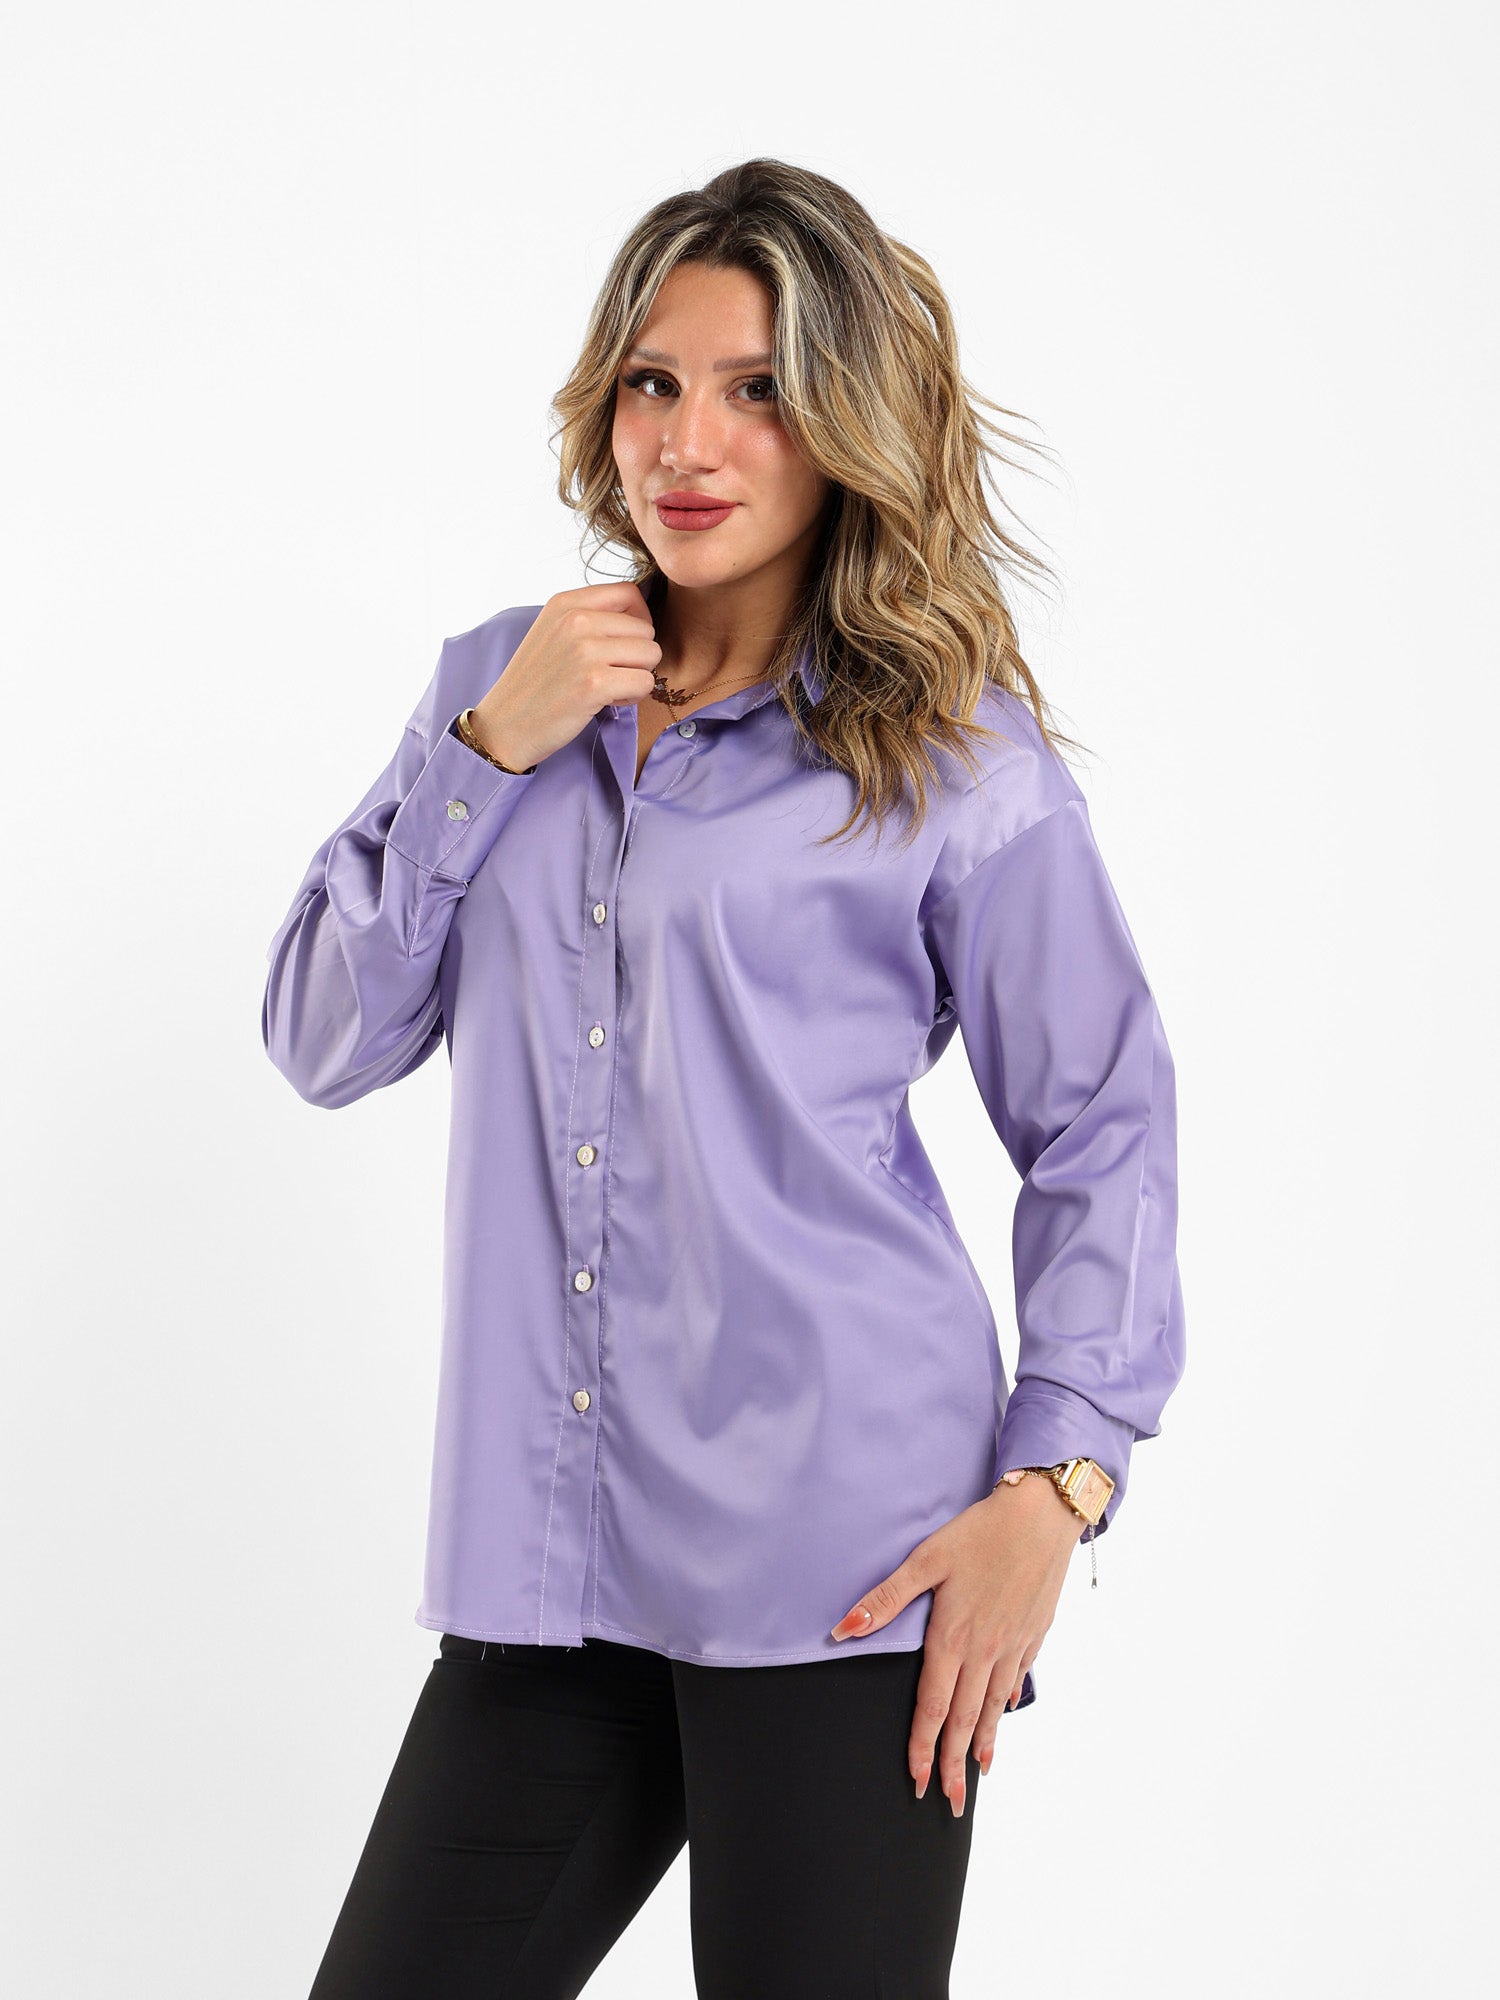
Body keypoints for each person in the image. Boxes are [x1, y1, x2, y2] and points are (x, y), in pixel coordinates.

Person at [262, 157, 1188, 2000]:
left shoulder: (955, 758)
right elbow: (322, 1033)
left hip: (849, 1567)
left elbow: (1105, 1119)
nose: (689, 441)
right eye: (654, 382)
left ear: (843, 423)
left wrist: (1055, 1487)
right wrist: (487, 751)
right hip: (552, 1565)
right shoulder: (501, 689)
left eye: (758, 390)